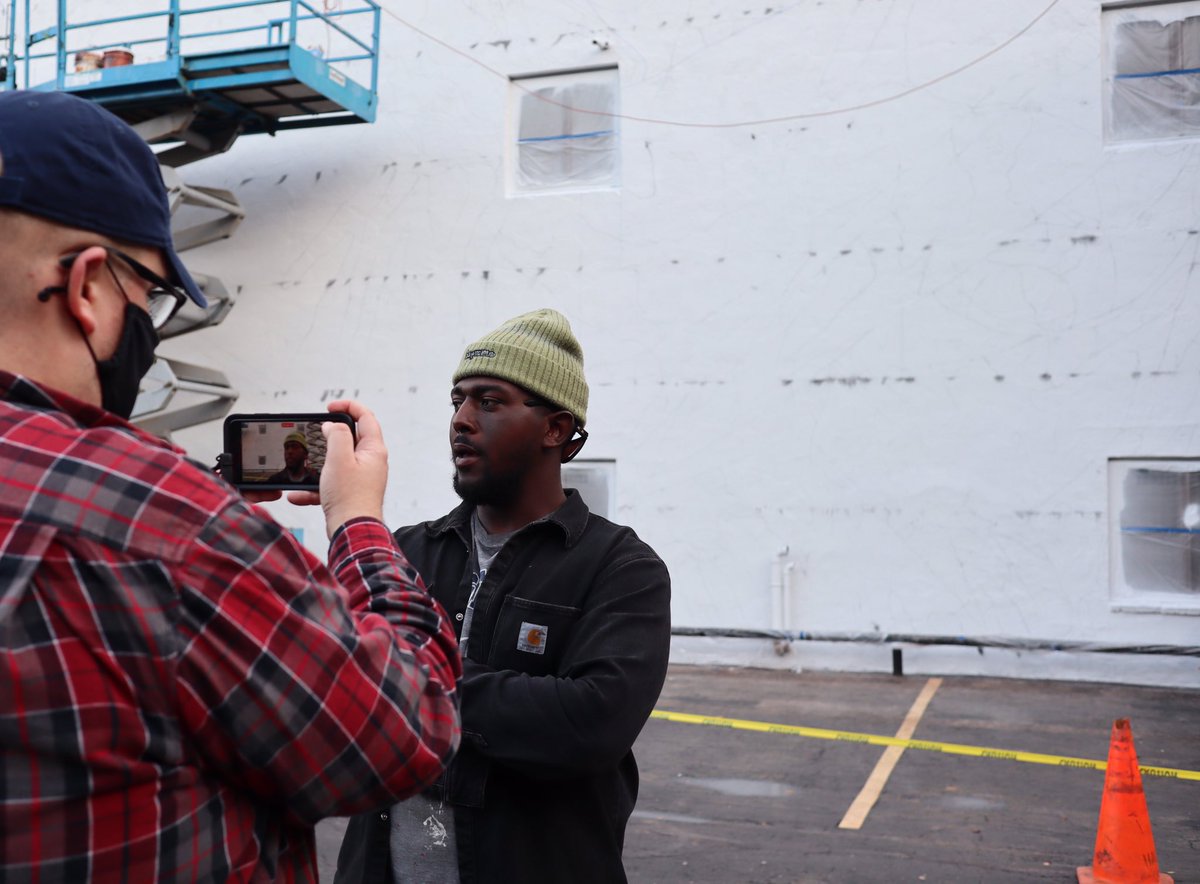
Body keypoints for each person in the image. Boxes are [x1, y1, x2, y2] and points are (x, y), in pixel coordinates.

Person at [0, 90, 461, 880]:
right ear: (85, 286)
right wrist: (357, 524)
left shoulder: (162, 523)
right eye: (150, 292)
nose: (150, 321)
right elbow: (402, 729)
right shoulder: (166, 523)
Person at [336, 309, 672, 883]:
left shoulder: (621, 568)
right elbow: (336, 688)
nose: (461, 421)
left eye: (489, 402)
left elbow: (589, 724)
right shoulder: (404, 551)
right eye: (457, 401)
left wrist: (407, 682)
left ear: (556, 429)